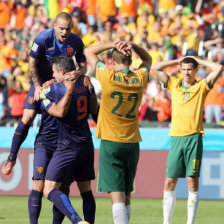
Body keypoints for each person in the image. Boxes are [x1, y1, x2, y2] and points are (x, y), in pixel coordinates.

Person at [1, 12, 87, 175]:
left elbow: (84, 66)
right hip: (40, 82)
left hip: (60, 85)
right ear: (54, 26)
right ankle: (12, 157)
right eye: (61, 28)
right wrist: (38, 86)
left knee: (63, 119)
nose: (64, 32)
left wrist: (78, 73)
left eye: (68, 29)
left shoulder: (76, 41)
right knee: (27, 117)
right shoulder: (43, 38)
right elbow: (32, 63)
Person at [84, 41, 152, 224]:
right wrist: (134, 45)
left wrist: (113, 43)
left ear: (112, 62)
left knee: (116, 195)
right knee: (127, 193)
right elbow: (147, 58)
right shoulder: (139, 77)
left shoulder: (107, 75)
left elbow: (88, 51)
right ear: (130, 62)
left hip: (111, 141)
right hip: (132, 142)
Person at [151, 56, 223, 224]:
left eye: (190, 69)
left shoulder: (201, 86)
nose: (186, 72)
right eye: (183, 69)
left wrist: (199, 60)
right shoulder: (174, 84)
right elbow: (155, 68)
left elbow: (218, 68)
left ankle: (190, 222)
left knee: (192, 180)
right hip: (176, 138)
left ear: (196, 70)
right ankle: (166, 222)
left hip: (194, 137)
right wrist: (177, 61)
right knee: (169, 181)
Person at [29, 72, 97, 224]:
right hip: (86, 142)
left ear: (62, 73)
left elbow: (59, 112)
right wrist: (87, 83)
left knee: (49, 189)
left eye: (54, 71)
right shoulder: (84, 82)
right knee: (86, 191)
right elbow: (95, 112)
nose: (52, 74)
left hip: (67, 145)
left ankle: (77, 221)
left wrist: (41, 87)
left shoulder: (56, 90)